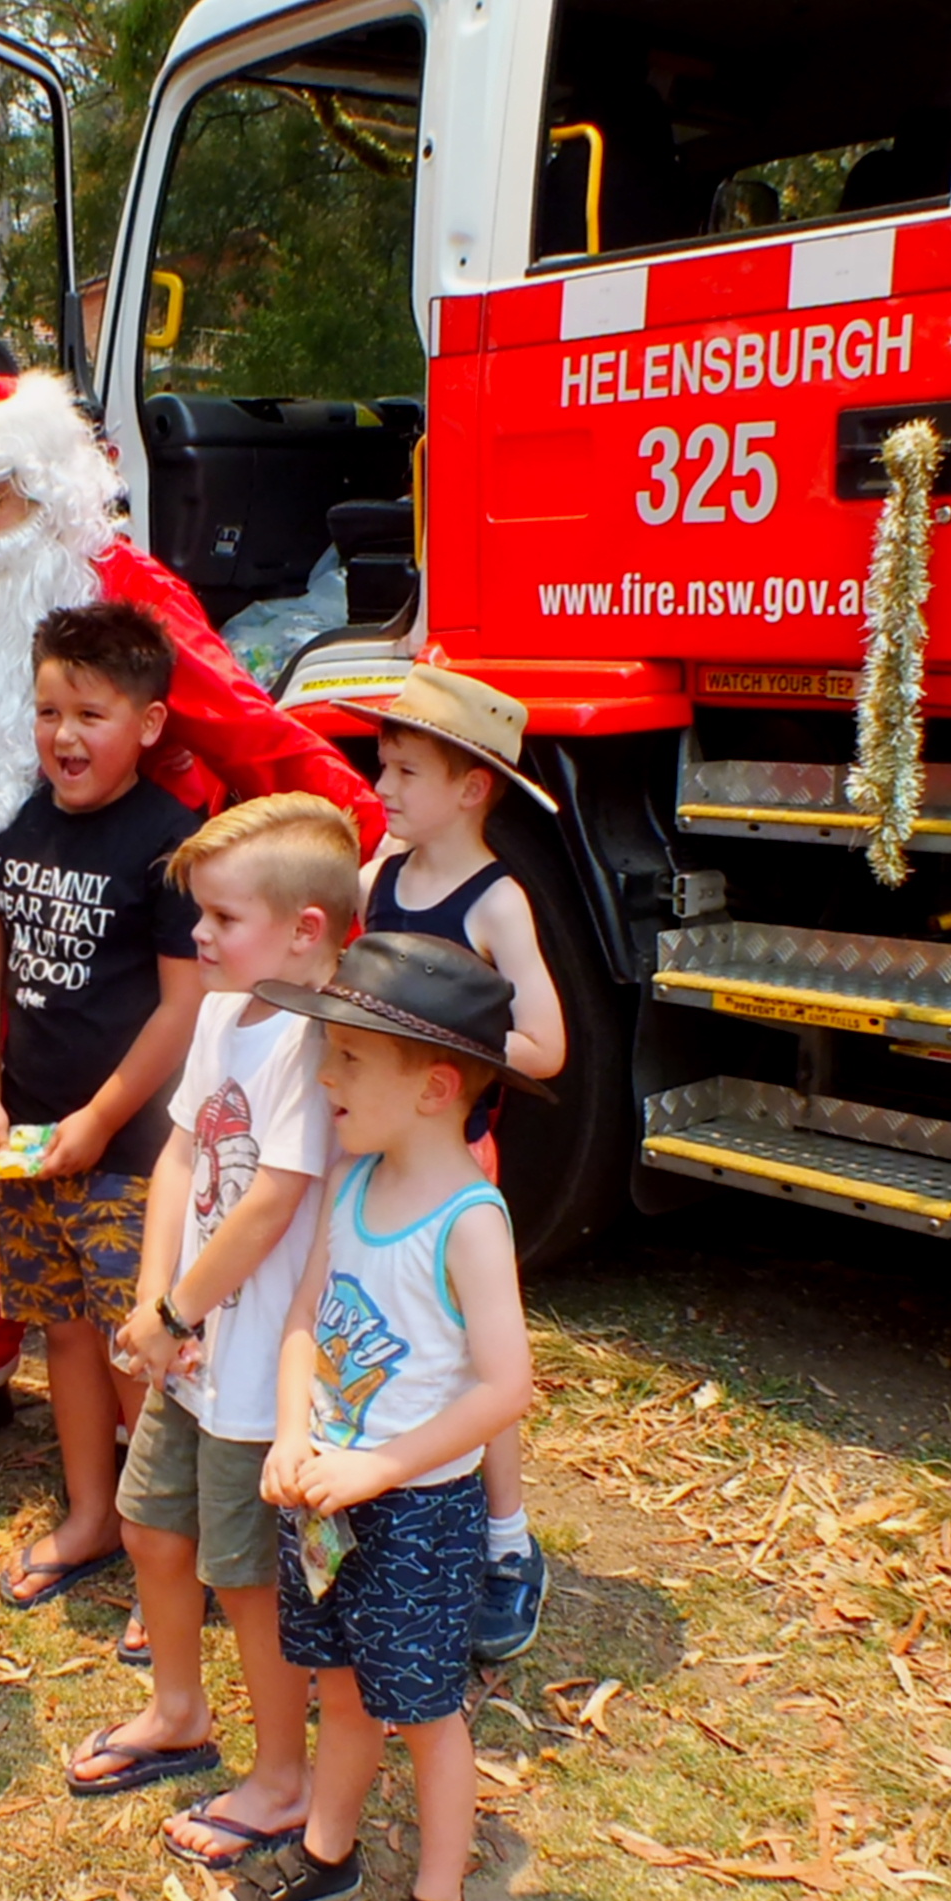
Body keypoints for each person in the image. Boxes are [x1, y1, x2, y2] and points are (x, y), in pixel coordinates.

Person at [0, 369, 385, 1464]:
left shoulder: (117, 587)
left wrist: (346, 834)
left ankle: (141, 1433)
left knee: (112, 1182)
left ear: (46, 491)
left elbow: (238, 720)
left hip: (121, 921)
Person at [198, 934, 540, 1901]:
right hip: (324, 1501)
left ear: (436, 1087)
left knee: (426, 1715)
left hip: (415, 1509)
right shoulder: (348, 1185)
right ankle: (327, 1853)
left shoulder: (468, 1223)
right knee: (337, 1686)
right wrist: (294, 1432)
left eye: (346, 1059)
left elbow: (508, 1385)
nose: (325, 1078)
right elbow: (305, 1317)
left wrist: (380, 1468)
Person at [76, 796, 355, 1856]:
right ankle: (181, 1712)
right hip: (190, 1348)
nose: (199, 935)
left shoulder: (312, 1037)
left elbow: (274, 1200)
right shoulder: (221, 1014)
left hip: (254, 1366)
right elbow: (183, 1158)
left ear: (305, 931)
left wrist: (175, 1311)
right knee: (151, 1525)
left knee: (247, 1579)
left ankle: (282, 1777)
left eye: (222, 919)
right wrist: (156, 1306)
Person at [0, 603, 204, 1615]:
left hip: (131, 1147)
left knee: (134, 1347)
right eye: (48, 709)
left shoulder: (171, 843)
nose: (63, 734)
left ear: (147, 724)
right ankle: (94, 1514)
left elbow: (187, 1005)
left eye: (90, 713)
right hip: (27, 1140)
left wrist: (100, 1120)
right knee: (62, 1335)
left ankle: (166, 1550)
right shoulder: (6, 826)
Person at [361, 666, 570, 1663]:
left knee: (476, 1359)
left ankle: (505, 1541)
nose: (383, 788)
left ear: (471, 787)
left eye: (405, 771)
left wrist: (445, 1039)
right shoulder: (378, 876)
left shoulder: (497, 904)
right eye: (382, 766)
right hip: (370, 1159)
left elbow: (547, 1044)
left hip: (453, 1166)